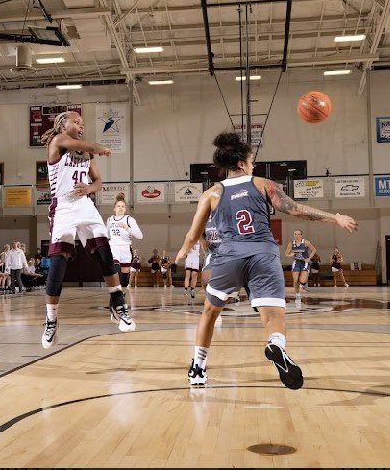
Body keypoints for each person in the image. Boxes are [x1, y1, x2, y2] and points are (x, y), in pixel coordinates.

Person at [175, 132, 357, 389]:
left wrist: (184, 250)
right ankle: (276, 345)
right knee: (273, 314)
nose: (254, 165)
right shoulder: (262, 184)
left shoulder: (211, 194)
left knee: (210, 311)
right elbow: (297, 209)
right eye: (251, 160)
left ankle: (197, 367)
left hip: (229, 257)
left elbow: (194, 234)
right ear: (241, 163)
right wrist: (334, 218)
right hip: (264, 254)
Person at [39, 110, 135, 349]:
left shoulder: (87, 154)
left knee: (104, 251)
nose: (81, 125)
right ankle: (51, 320)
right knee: (59, 262)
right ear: (62, 124)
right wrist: (99, 147)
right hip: (62, 205)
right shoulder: (58, 141)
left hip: (85, 205)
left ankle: (118, 303)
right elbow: (86, 145)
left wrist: (88, 188)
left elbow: (99, 183)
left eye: (82, 123)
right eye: (76, 121)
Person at [106, 192, 143, 297]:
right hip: (113, 248)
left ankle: (121, 294)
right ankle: (115, 295)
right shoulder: (110, 220)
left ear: (125, 208)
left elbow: (140, 236)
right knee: (115, 270)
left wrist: (127, 228)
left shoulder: (129, 219)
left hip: (126, 249)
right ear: (114, 208)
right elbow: (106, 235)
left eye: (123, 206)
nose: (120, 208)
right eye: (118, 206)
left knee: (124, 278)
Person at [285, 230, 317, 300]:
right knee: (295, 279)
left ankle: (302, 285)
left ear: (301, 235)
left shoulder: (306, 242)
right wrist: (291, 255)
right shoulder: (291, 243)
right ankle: (297, 293)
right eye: (295, 234)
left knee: (303, 280)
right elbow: (286, 254)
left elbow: (314, 250)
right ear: (293, 235)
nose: (297, 236)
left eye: (298, 234)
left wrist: (309, 258)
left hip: (305, 262)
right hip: (296, 262)